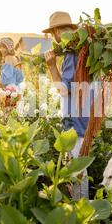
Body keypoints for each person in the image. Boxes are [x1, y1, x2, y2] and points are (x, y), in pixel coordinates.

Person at [43, 11, 90, 200]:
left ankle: (81, 214)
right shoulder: (84, 52)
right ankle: (80, 208)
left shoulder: (72, 54)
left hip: (75, 119)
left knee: (77, 170)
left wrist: (52, 66)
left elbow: (64, 89)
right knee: (79, 167)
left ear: (55, 32)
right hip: (85, 117)